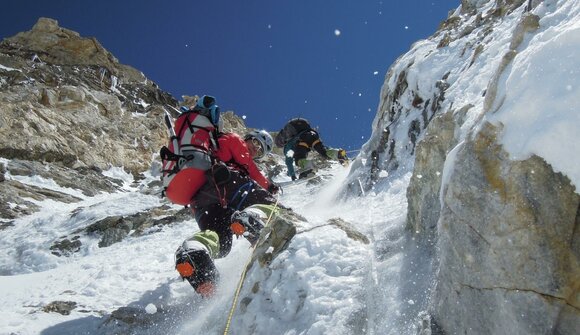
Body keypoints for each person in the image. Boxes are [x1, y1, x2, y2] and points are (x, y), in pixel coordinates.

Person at [174, 100, 280, 297]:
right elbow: (253, 172)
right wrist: (270, 186)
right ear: (248, 137)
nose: (255, 149)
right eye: (256, 143)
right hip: (225, 183)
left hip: (203, 202)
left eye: (260, 150)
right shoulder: (232, 140)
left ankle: (195, 252)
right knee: (269, 204)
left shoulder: (217, 149)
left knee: (221, 243)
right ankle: (253, 218)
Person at [274, 118, 348, 180]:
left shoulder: (288, 144)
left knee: (298, 159)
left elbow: (288, 161)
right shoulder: (302, 130)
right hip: (312, 134)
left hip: (302, 140)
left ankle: (308, 169)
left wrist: (292, 175)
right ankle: (339, 153)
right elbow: (322, 147)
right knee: (324, 152)